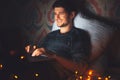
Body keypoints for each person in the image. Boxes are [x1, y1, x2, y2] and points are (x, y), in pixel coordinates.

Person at [25, 0, 91, 80]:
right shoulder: (50, 36)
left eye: (61, 13)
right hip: (40, 66)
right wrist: (32, 50)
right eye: (55, 14)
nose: (56, 17)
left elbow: (80, 68)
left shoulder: (78, 35)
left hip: (55, 71)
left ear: (71, 15)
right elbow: (41, 52)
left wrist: (53, 56)